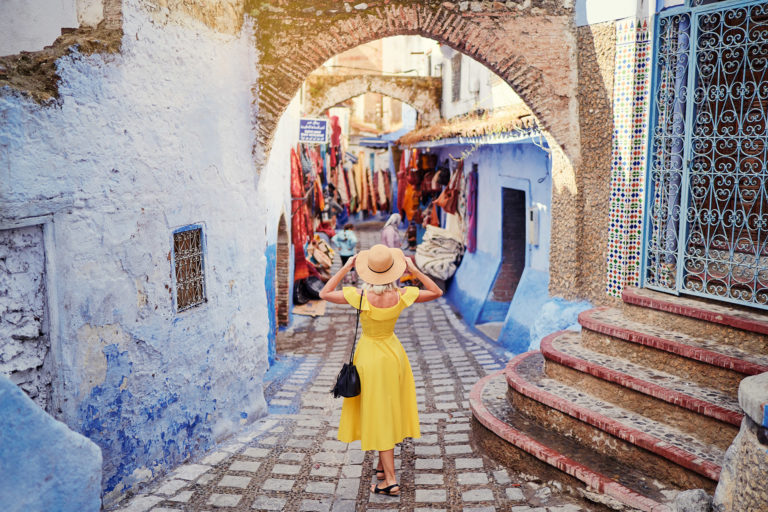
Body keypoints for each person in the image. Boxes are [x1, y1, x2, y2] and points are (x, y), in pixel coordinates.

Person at [319, 244, 443, 497]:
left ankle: (391, 481)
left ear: (368, 271)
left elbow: (324, 293)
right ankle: (381, 467)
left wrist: (344, 267)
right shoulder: (402, 294)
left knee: (379, 413)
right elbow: (436, 291)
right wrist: (414, 269)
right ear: (393, 271)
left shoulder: (360, 296)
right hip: (394, 356)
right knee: (387, 408)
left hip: (370, 358)